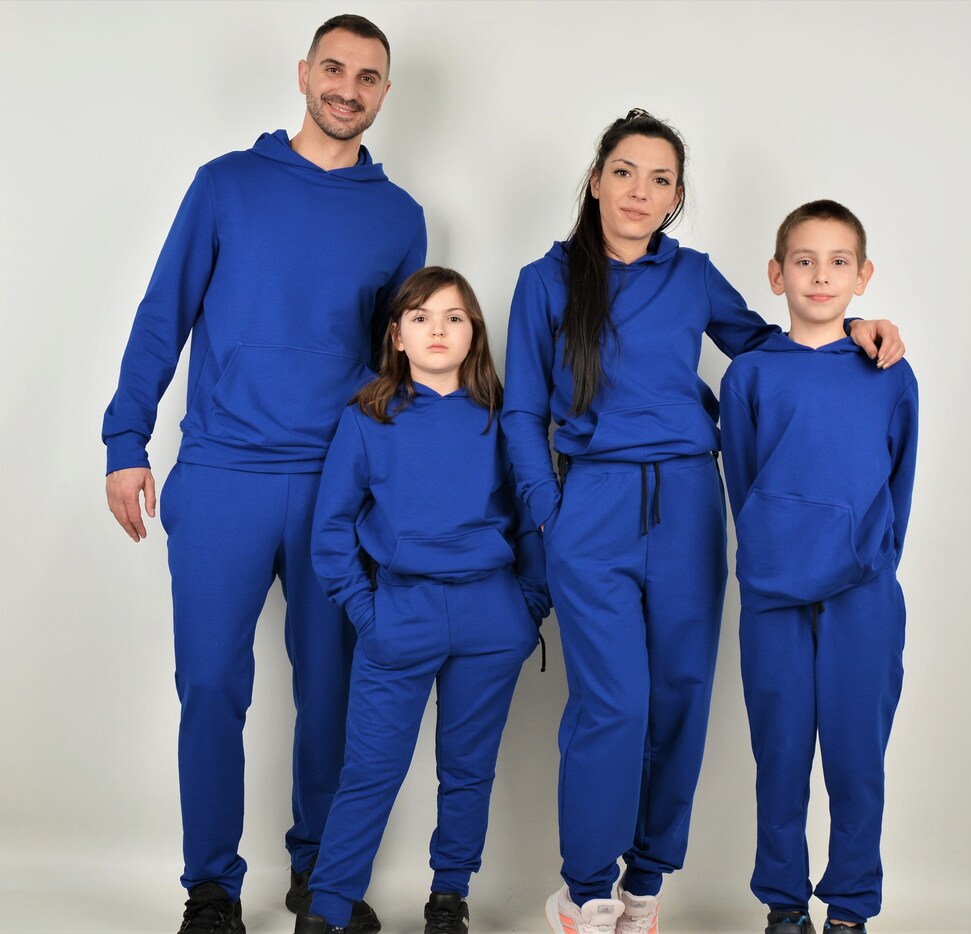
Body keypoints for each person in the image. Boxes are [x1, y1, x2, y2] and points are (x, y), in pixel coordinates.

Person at [502, 110, 905, 934]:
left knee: (682, 695)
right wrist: (550, 515)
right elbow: (519, 413)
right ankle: (586, 889)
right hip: (592, 507)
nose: (639, 191)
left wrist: (858, 327)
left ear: (676, 197)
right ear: (596, 180)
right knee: (614, 702)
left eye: (660, 179)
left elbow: (769, 349)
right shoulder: (545, 282)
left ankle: (645, 885)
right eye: (624, 172)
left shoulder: (693, 275)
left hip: (688, 501)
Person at [101, 14, 425, 934]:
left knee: (332, 694)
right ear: (304, 73)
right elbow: (162, 314)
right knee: (210, 683)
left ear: (384, 92)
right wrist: (126, 440)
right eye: (335, 69)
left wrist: (402, 484)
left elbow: (398, 365)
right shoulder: (226, 185)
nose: (348, 89)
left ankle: (321, 876)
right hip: (223, 474)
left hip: (337, 485)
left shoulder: (398, 216)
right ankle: (210, 886)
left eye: (368, 76)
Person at [294, 266, 549, 934]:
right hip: (400, 614)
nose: (438, 329)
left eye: (454, 317)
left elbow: (533, 520)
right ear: (397, 335)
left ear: (475, 333)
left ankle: (448, 899)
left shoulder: (503, 418)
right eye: (421, 317)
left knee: (468, 770)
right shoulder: (366, 418)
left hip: (491, 615)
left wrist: (527, 609)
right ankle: (327, 909)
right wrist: (368, 616)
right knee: (370, 769)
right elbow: (331, 532)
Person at [719, 200, 917, 934]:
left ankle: (850, 911)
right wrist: (771, 549)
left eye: (839, 262)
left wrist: (871, 559)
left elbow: (900, 479)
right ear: (777, 275)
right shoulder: (749, 375)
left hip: (863, 595)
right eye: (804, 261)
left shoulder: (888, 371)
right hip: (774, 594)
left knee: (857, 762)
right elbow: (744, 481)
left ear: (863, 276)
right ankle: (784, 905)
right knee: (780, 757)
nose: (821, 275)